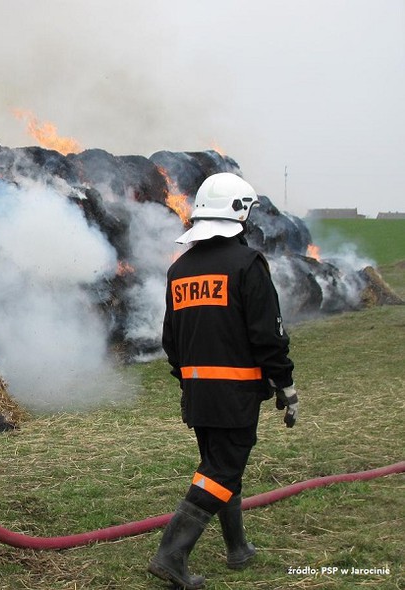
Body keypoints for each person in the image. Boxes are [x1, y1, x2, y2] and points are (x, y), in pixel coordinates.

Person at [148, 173, 298, 589]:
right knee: (222, 470)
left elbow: (170, 341)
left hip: (198, 394)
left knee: (221, 467)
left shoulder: (179, 271)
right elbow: (268, 335)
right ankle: (170, 554)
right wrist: (285, 384)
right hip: (236, 394)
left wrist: (189, 382)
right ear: (240, 215)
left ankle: (238, 548)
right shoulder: (247, 264)